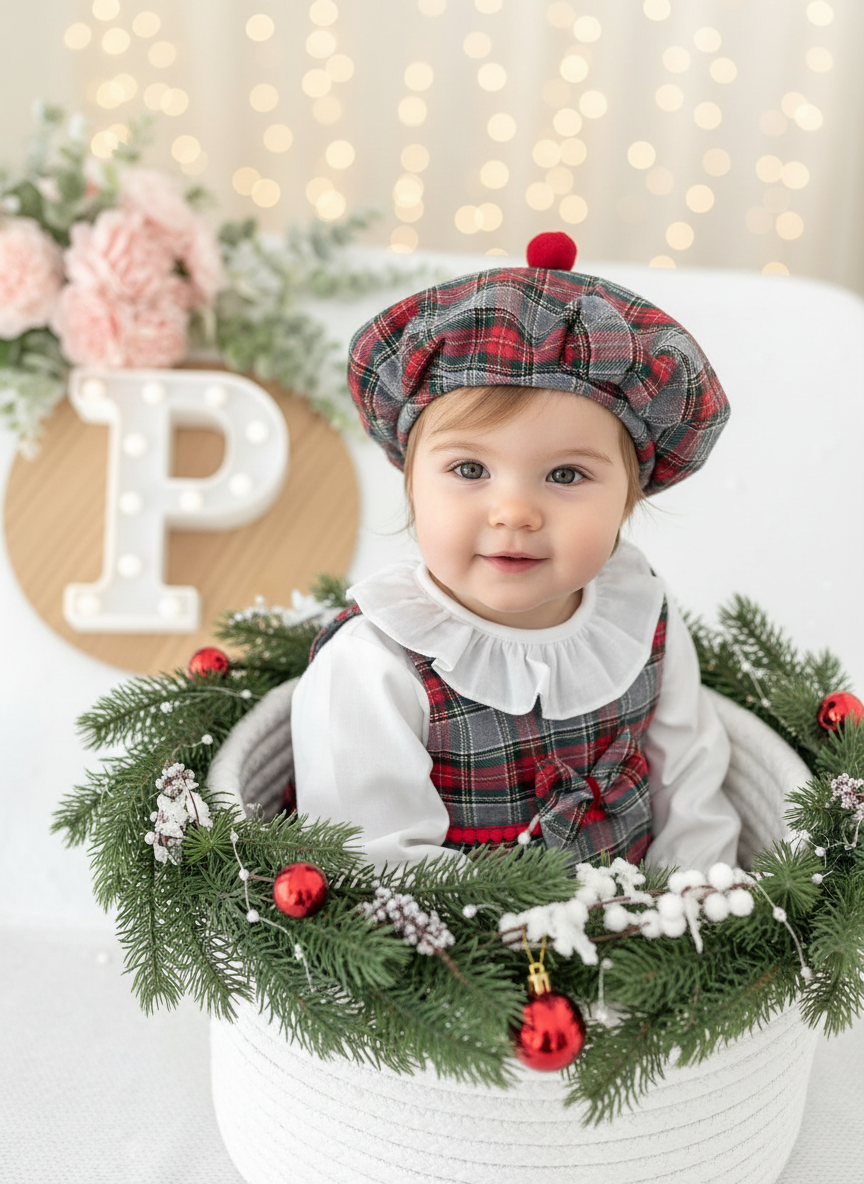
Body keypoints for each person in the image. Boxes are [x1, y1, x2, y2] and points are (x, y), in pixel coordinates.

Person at [291, 232, 741, 873]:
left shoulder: (641, 616)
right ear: (411, 483)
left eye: (565, 476)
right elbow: (377, 864)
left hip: (646, 948)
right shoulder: (376, 666)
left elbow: (691, 789)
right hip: (462, 959)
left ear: (628, 501)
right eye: (470, 469)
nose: (515, 512)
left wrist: (694, 913)